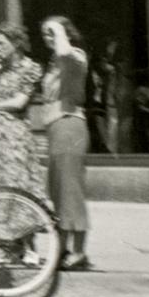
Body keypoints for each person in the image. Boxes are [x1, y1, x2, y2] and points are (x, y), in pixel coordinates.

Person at [40, 16, 92, 271]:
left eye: (51, 33)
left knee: (71, 191)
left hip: (69, 124)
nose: (47, 38)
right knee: (58, 192)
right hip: (56, 128)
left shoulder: (75, 56)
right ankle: (62, 250)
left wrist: (58, 29)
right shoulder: (55, 62)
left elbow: (64, 50)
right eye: (45, 34)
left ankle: (80, 252)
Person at [0, 23, 43, 192]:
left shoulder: (31, 68)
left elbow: (19, 102)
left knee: (16, 179)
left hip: (15, 132)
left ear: (16, 43)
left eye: (1, 43)